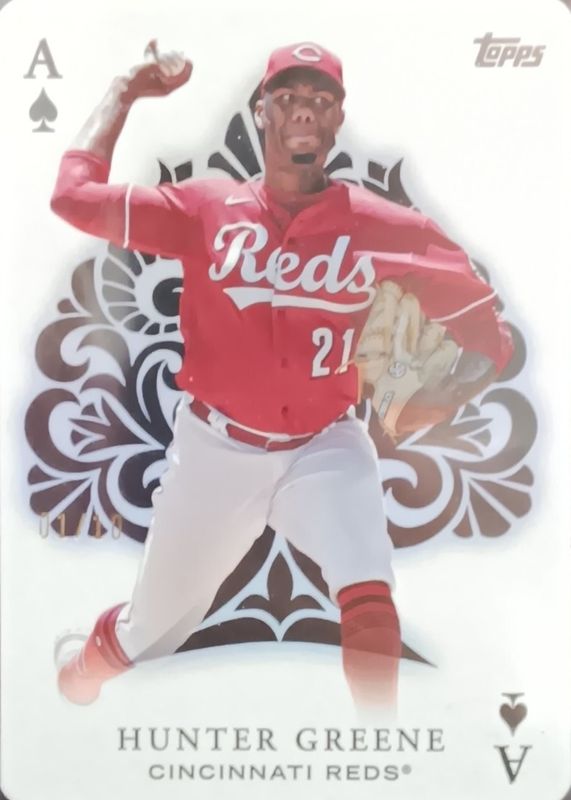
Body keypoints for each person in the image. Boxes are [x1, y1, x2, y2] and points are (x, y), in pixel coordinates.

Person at [50, 41, 513, 709]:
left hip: (325, 445)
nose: (303, 109)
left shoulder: (385, 227)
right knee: (147, 631)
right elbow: (73, 197)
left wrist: (455, 389)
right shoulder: (204, 210)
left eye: (320, 99)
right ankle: (84, 668)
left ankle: (385, 750)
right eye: (288, 96)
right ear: (260, 111)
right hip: (214, 451)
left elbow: (483, 325)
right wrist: (124, 90)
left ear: (337, 119)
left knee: (370, 599)